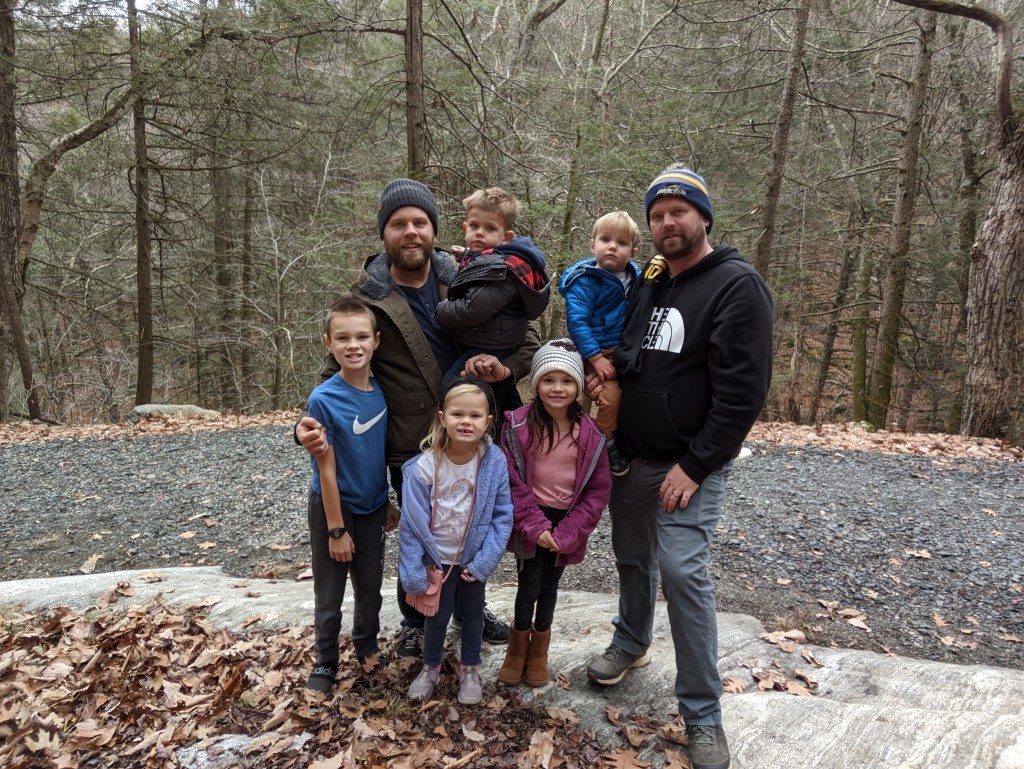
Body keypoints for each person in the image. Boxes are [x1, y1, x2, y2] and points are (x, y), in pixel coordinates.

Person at [296, 178, 537, 658]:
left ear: (434, 230)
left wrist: (505, 367)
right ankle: (416, 617)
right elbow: (334, 371)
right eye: (398, 223)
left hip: (470, 434)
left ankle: (467, 605)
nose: (411, 231)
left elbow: (525, 337)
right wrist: (305, 423)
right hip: (410, 443)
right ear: (384, 233)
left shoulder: (471, 273)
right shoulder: (368, 299)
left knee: (471, 524)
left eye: (420, 222)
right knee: (421, 534)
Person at [585, 167, 773, 769]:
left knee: (683, 573)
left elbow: (743, 395)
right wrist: (597, 371)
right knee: (631, 556)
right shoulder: (651, 280)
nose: (667, 223)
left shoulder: (736, 286)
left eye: (679, 212)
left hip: (690, 466)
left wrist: (694, 465)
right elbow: (634, 353)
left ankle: (702, 714)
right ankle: (631, 640)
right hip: (632, 457)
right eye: (658, 215)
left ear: (703, 218)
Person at [497, 340, 611, 687]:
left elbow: (597, 492)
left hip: (566, 522)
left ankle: (539, 652)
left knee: (549, 586)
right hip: (530, 518)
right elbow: (510, 480)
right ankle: (517, 649)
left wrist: (567, 533)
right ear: (536, 384)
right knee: (528, 584)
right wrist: (534, 525)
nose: (557, 388)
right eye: (548, 380)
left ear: (578, 386)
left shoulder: (590, 434)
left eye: (566, 380)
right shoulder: (518, 426)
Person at [399, 378, 514, 705]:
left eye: (475, 416)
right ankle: (431, 667)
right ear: (442, 418)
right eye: (458, 414)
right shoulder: (424, 467)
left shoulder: (493, 461)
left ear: (487, 422)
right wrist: (414, 569)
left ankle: (470, 668)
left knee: (474, 615)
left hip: (473, 561)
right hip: (438, 562)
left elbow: (503, 514)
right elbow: (411, 524)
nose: (466, 422)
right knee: (436, 617)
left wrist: (484, 561)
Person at [304, 297, 395, 693]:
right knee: (330, 592)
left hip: (373, 506)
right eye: (342, 338)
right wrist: (336, 530)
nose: (353, 345)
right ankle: (325, 660)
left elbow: (374, 455)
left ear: (376, 340)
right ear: (329, 343)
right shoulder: (324, 398)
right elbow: (326, 468)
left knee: (370, 588)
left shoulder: (382, 392)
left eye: (361, 337)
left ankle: (366, 646)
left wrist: (385, 500)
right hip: (333, 508)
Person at [435, 187, 551, 416]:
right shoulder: (489, 259)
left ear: (506, 238)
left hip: (492, 343)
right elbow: (479, 266)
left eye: (490, 228)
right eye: (474, 226)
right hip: (493, 337)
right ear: (465, 228)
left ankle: (453, 422)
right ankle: (514, 420)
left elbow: (472, 309)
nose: (480, 233)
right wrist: (465, 255)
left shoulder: (504, 271)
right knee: (497, 389)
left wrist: (441, 311)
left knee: (453, 381)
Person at [558, 211, 641, 477]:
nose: (612, 246)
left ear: (633, 252)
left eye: (622, 242)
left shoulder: (637, 279)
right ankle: (606, 442)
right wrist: (595, 358)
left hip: (624, 350)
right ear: (593, 244)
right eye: (606, 240)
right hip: (594, 350)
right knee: (609, 397)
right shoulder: (585, 281)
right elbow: (578, 323)